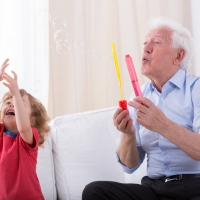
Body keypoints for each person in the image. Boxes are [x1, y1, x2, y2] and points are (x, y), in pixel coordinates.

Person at [82, 17, 200, 200]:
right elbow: (129, 166)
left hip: (194, 188)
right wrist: (128, 135)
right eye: (145, 42)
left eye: (157, 42)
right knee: (94, 191)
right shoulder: (140, 96)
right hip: (154, 190)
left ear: (179, 56)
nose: (146, 48)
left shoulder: (196, 89)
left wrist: (162, 125)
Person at [0, 58, 50, 200]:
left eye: (19, 104)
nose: (11, 105)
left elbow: (23, 128)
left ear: (32, 120)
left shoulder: (29, 137)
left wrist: (16, 93)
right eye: (8, 102)